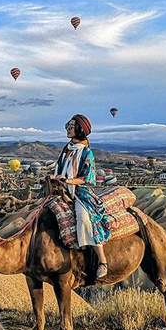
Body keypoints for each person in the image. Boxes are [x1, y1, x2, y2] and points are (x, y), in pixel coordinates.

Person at [51, 114, 110, 278]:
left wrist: (69, 180)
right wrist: (52, 178)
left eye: (71, 126)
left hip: (81, 192)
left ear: (80, 130)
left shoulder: (86, 152)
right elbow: (60, 170)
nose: (68, 129)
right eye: (67, 125)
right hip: (62, 189)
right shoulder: (66, 149)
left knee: (84, 218)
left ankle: (102, 261)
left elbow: (88, 178)